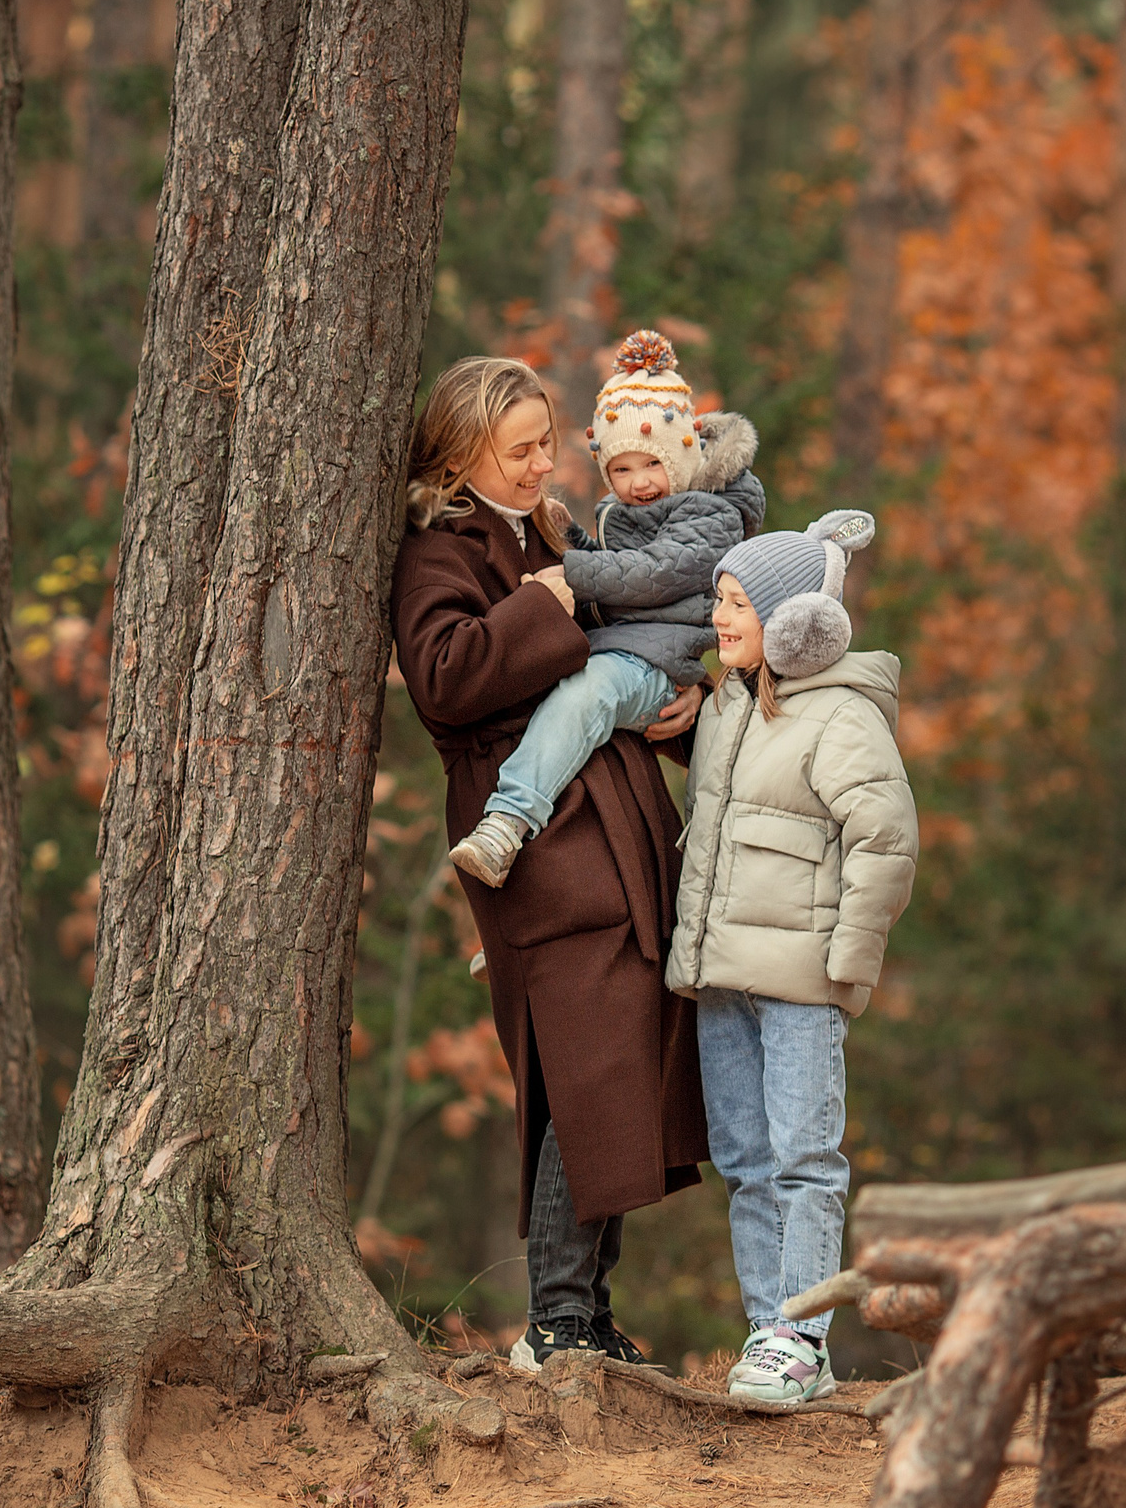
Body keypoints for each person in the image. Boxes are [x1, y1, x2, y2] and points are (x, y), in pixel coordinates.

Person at [390, 355, 710, 1368]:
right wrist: (551, 603)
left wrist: (678, 711)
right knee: (584, 1071)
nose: (543, 463)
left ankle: (585, 1314)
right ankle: (556, 1319)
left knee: (624, 1071)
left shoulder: (559, 532)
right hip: (542, 849)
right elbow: (443, 678)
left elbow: (625, 661)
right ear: (460, 454)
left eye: (544, 441)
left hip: (620, 830)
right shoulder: (437, 550)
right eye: (519, 448)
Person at [664, 515, 920, 1404]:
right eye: (719, 598)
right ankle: (766, 1327)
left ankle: (801, 1335)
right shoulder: (732, 702)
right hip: (724, 976)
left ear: (790, 621)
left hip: (802, 981)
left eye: (735, 602)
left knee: (805, 1157)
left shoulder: (842, 715)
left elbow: (886, 839)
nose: (718, 615)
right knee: (743, 1159)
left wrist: (848, 962)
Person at [448, 329, 764, 888]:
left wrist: (572, 570)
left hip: (653, 667)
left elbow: (654, 574)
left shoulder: (710, 515)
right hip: (626, 656)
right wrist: (572, 536)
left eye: (652, 465)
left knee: (584, 694)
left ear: (684, 455)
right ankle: (516, 908)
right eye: (621, 470)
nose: (638, 484)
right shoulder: (619, 513)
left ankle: (508, 821)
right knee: (565, 720)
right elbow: (614, 579)